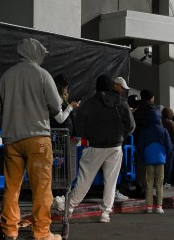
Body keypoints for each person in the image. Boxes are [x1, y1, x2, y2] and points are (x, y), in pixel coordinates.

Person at [0, 38, 64, 240]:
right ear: (36, 53)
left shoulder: (5, 77)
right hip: (38, 139)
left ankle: (9, 231)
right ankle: (42, 232)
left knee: (12, 186)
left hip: (11, 139)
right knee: (42, 186)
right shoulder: (42, 75)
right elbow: (55, 105)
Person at [52, 74, 134, 223]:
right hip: (115, 146)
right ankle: (105, 213)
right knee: (111, 181)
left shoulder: (90, 103)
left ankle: (68, 206)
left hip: (95, 146)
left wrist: (89, 135)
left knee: (84, 180)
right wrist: (121, 135)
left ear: (97, 86)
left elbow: (79, 124)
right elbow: (131, 125)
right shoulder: (121, 103)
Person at [136, 107, 173, 213]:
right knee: (159, 183)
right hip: (160, 159)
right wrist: (166, 156)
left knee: (148, 183)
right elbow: (169, 146)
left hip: (148, 159)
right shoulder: (163, 130)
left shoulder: (144, 131)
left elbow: (140, 146)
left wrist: (143, 157)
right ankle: (159, 206)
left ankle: (149, 206)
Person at [132, 89, 158, 197]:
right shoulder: (153, 109)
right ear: (151, 98)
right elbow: (157, 125)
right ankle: (148, 190)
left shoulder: (136, 111)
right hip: (151, 141)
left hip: (138, 141)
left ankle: (139, 187)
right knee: (150, 166)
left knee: (140, 165)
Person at [160, 106, 174, 186]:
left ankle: (160, 179)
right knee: (169, 164)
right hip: (170, 145)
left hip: (160, 146)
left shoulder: (160, 122)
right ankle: (166, 180)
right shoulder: (171, 123)